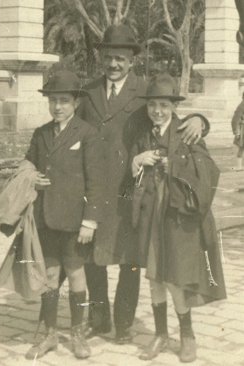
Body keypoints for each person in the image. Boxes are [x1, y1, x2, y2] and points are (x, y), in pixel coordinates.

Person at [78, 24, 211, 344]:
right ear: (102, 58)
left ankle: (123, 325)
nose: (113, 64)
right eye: (109, 57)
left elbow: (169, 112)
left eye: (120, 59)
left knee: (130, 262)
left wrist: (201, 121)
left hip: (129, 191)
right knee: (93, 260)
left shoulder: (144, 91)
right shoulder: (89, 92)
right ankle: (99, 319)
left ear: (131, 60)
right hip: (95, 191)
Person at [129, 74, 226, 362]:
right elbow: (127, 178)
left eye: (163, 105)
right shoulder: (143, 135)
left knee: (175, 278)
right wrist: (137, 161)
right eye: (152, 106)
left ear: (173, 107)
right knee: (154, 277)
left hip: (176, 215)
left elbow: (209, 169)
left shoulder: (186, 132)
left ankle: (187, 335)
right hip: (149, 214)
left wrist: (177, 165)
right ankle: (160, 334)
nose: (157, 111)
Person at [24, 70, 104, 360]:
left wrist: (90, 221)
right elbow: (27, 166)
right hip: (46, 217)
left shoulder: (86, 133)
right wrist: (33, 177)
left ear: (75, 103)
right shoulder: (41, 133)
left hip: (74, 221)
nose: (58, 107)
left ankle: (78, 333)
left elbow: (96, 181)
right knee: (50, 274)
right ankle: (48, 334)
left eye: (64, 101)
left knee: (76, 273)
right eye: (53, 101)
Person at [231, 92, 244, 170]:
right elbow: (235, 119)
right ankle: (239, 166)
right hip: (242, 129)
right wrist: (237, 131)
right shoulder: (242, 106)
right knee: (241, 148)